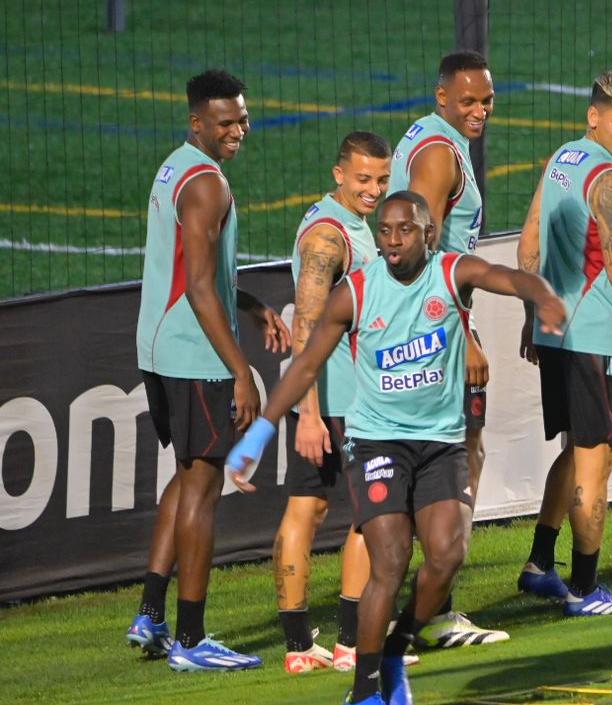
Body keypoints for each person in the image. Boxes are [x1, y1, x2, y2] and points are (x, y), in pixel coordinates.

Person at [223, 191, 566, 705]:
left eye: (403, 230)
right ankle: (365, 691)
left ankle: (395, 648)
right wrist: (260, 433)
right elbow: (306, 366)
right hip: (378, 440)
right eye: (383, 231)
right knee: (391, 558)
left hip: (441, 444)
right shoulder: (354, 294)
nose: (392, 241)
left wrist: (542, 295)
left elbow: (509, 278)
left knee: (447, 554)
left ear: (427, 233)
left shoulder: (452, 273)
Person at [127, 68, 290, 672]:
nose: (238, 131)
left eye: (243, 119)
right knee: (204, 486)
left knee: (188, 477)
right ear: (197, 121)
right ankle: (192, 641)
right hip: (195, 354)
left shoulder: (175, 165)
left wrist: (250, 306)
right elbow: (198, 287)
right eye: (226, 122)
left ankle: (151, 614)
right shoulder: (206, 186)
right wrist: (241, 369)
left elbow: (197, 273)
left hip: (162, 346)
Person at [515, 69, 612, 617]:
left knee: (575, 450)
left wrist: (532, 314)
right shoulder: (608, 180)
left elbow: (529, 239)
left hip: (556, 329)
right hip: (595, 334)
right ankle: (585, 588)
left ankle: (540, 564)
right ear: (594, 117)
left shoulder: (563, 158)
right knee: (596, 459)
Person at [274, 131, 410, 673]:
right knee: (366, 514)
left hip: (341, 394)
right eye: (363, 180)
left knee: (311, 510)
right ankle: (352, 643)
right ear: (339, 175)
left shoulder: (344, 221)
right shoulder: (329, 238)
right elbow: (304, 326)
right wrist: (309, 414)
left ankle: (300, 647)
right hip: (341, 400)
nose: (374, 189)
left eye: (381, 178)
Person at [388, 49, 505, 646]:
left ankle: (400, 606)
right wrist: (460, 334)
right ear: (442, 97)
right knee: (458, 459)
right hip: (435, 329)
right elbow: (423, 249)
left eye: (486, 100)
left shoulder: (425, 139)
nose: (480, 110)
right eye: (468, 101)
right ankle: (433, 612)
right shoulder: (438, 154)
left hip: (413, 326)